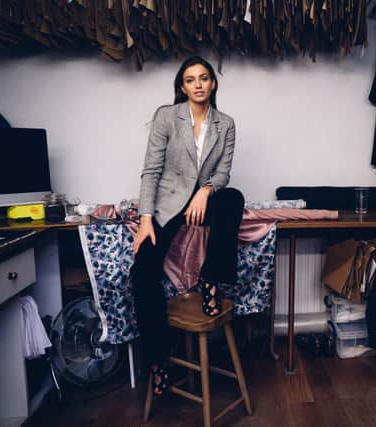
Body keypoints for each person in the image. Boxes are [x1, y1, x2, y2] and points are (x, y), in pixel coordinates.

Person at [131, 56, 244, 395]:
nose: (198, 84)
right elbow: (151, 170)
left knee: (233, 198)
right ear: (182, 87)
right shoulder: (167, 116)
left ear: (213, 84)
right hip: (168, 202)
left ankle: (211, 278)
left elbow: (222, 173)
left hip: (203, 200)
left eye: (204, 78)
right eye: (191, 79)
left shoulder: (226, 124)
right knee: (141, 273)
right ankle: (158, 359)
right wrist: (146, 219)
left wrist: (207, 190)